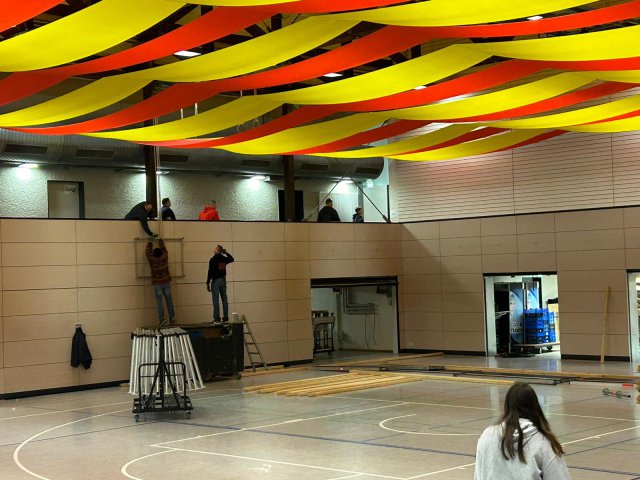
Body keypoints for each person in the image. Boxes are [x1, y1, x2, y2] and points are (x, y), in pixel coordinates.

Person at [474, 382, 570, 480]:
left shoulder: (486, 437)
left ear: (507, 406)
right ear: (535, 406)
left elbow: (479, 475)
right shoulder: (544, 443)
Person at [146, 238, 175, 326]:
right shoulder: (164, 258)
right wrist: (160, 241)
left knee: (159, 302)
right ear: (161, 253)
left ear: (153, 254)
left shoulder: (152, 260)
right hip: (166, 282)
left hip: (157, 284)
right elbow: (164, 249)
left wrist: (150, 242)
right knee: (169, 301)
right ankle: (172, 318)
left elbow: (148, 252)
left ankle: (162, 319)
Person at [206, 245, 234, 322]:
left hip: (216, 281)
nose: (214, 249)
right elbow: (232, 259)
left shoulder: (213, 259)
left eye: (215, 248)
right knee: (224, 299)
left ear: (217, 250)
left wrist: (207, 282)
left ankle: (217, 319)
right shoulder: (223, 258)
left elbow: (210, 272)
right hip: (223, 280)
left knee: (215, 301)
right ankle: (225, 317)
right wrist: (226, 253)